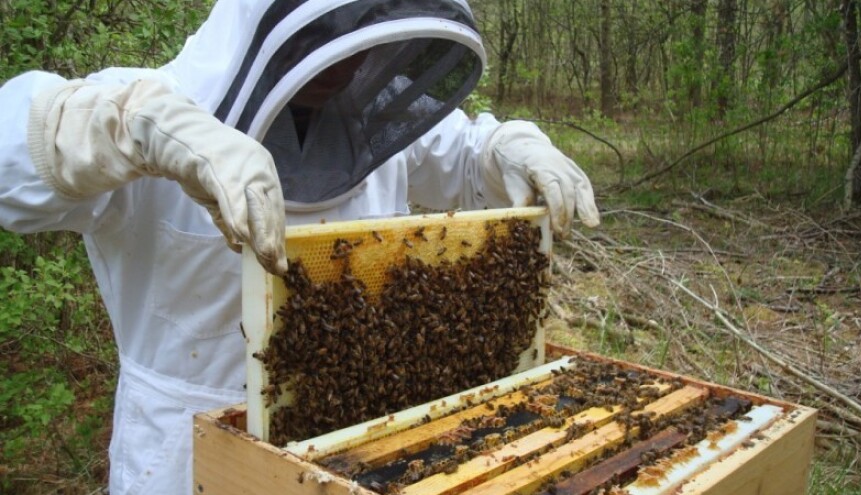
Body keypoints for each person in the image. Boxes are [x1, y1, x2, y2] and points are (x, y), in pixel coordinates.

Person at [0, 0, 600, 493]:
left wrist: (504, 148)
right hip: (182, 461)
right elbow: (12, 157)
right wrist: (128, 129)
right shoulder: (152, 105)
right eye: (323, 28)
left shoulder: (375, 115)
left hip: (356, 444)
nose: (344, 56)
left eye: (359, 28)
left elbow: (463, 151)